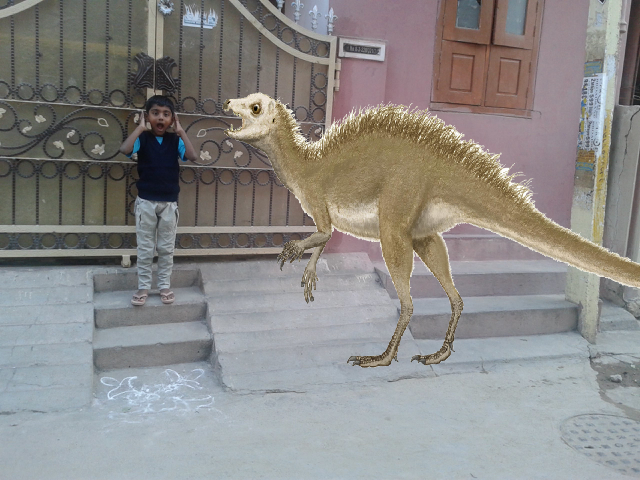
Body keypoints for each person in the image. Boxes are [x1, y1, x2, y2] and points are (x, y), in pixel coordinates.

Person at [119, 95, 198, 306]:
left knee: (166, 248)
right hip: (146, 202)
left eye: (166, 114)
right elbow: (125, 149)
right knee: (145, 248)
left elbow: (193, 156)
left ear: (172, 119)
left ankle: (164, 285)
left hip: (169, 204)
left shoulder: (175, 141)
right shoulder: (143, 139)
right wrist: (139, 128)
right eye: (155, 113)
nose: (160, 118)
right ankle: (143, 287)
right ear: (147, 117)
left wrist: (181, 132)